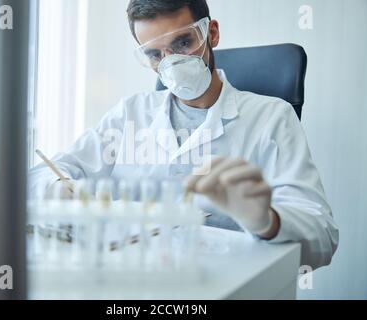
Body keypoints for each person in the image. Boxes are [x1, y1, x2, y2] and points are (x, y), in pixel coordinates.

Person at [29, 0, 339, 270]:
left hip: (226, 283)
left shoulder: (272, 117)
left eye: (182, 43)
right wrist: (57, 189)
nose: (171, 63)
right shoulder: (130, 113)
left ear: (211, 33)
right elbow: (43, 173)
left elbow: (323, 236)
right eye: (154, 54)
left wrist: (266, 219)